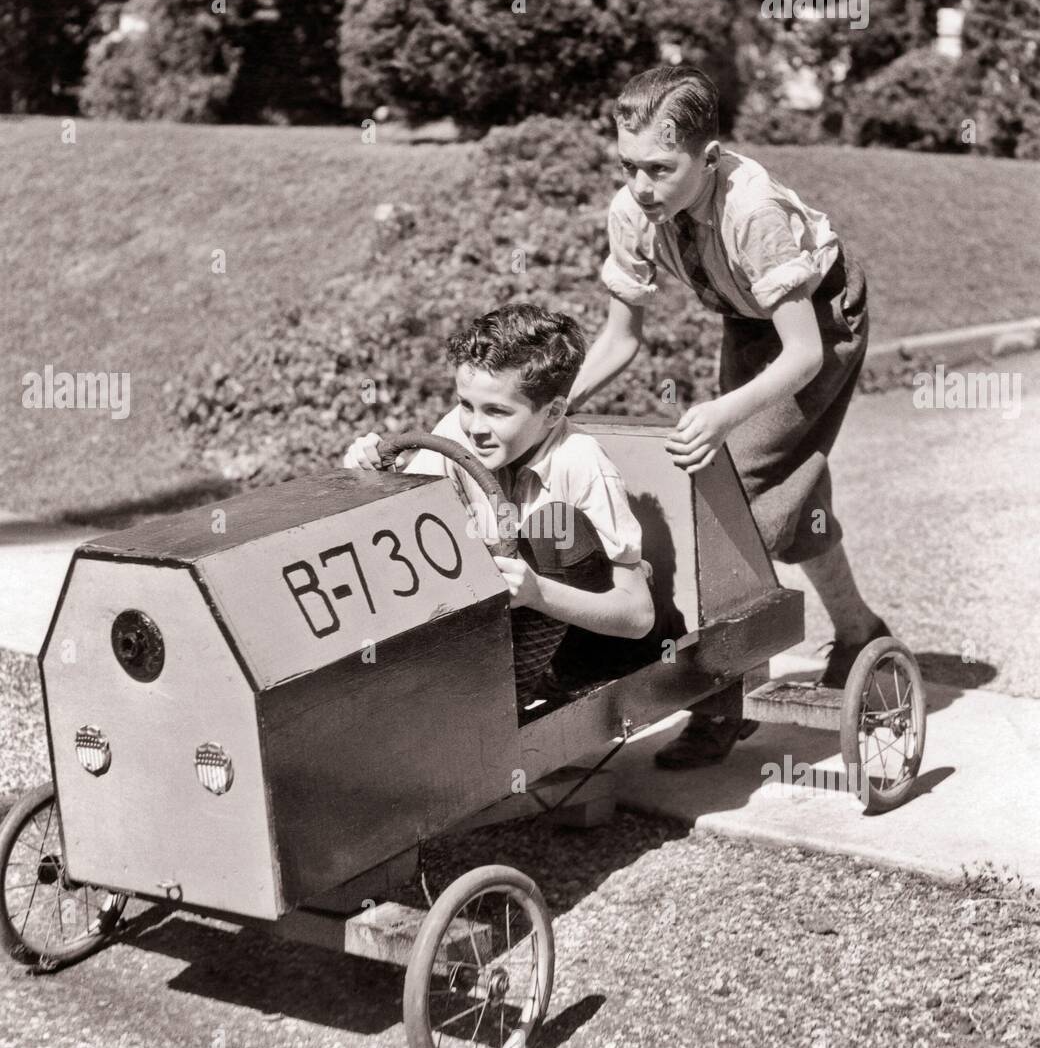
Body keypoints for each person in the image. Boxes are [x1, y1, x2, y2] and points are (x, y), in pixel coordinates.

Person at [566, 65, 891, 768]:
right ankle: (860, 630)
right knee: (776, 497)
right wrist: (556, 407)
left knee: (723, 497)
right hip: (749, 326)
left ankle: (722, 700)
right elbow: (622, 337)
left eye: (659, 167)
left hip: (823, 325)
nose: (641, 185)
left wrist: (718, 415)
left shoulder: (753, 209)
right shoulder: (634, 210)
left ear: (708, 158)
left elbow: (803, 354)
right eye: (629, 166)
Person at [342, 303, 663, 708]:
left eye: (497, 411)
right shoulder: (454, 437)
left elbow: (638, 617)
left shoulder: (581, 461)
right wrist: (367, 475)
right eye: (466, 404)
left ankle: (529, 691)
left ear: (553, 413)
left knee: (554, 523)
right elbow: (401, 532)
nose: (476, 428)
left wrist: (536, 593)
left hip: (580, 640)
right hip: (492, 634)